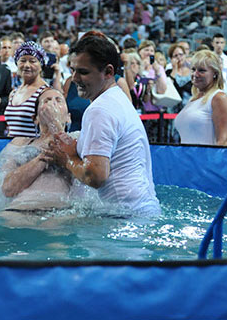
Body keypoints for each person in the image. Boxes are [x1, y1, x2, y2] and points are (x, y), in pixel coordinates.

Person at [48, 35, 160, 217]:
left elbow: (95, 176)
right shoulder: (117, 98)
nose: (75, 78)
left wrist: (67, 158)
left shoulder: (99, 110)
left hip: (121, 219)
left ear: (108, 72)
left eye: (83, 72)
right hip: (140, 211)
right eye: (72, 70)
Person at [0, 88, 73, 220]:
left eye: (58, 100)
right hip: (17, 210)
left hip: (60, 213)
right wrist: (42, 159)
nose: (52, 105)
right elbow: (7, 189)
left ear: (68, 118)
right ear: (35, 118)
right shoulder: (20, 143)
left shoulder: (78, 140)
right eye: (46, 101)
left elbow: (83, 172)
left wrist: (55, 124)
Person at [174, 50, 227, 146]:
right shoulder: (193, 99)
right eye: (193, 69)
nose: (195, 74)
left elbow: (223, 142)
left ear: (215, 73)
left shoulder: (219, 98)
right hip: (185, 159)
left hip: (205, 159)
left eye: (201, 70)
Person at [3, 41, 51, 137]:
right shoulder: (13, 93)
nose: (27, 65)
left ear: (41, 65)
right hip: (12, 150)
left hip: (33, 150)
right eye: (23, 60)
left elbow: (51, 134)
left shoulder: (46, 94)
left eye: (32, 61)